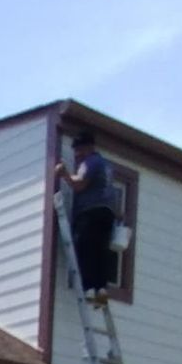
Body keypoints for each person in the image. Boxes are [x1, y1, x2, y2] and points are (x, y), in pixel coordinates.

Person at [55, 130, 122, 304]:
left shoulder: (90, 162)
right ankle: (101, 289)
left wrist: (64, 174)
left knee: (84, 248)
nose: (77, 155)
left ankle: (89, 289)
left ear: (88, 147)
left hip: (90, 212)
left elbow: (79, 184)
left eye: (78, 150)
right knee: (100, 251)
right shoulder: (106, 165)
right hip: (107, 213)